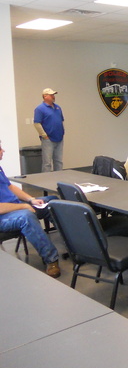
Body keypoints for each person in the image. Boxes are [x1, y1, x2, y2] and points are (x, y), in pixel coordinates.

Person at [0, 141, 60, 277]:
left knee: (52, 202)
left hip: (15, 208)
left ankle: (75, 247)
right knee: (26, 217)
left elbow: (10, 187)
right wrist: (24, 205)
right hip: (3, 217)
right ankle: (51, 259)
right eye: (0, 149)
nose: (3, 151)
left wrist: (31, 200)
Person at [33, 88, 65, 172]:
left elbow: (61, 120)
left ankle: (59, 178)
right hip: (48, 139)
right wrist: (44, 135)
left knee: (59, 161)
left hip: (59, 138)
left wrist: (62, 133)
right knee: (47, 163)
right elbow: (37, 123)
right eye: (51, 95)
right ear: (45, 96)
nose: (53, 96)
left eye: (53, 95)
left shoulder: (58, 107)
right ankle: (46, 179)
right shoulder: (40, 109)